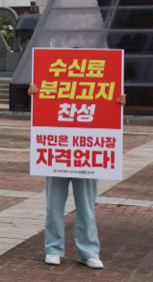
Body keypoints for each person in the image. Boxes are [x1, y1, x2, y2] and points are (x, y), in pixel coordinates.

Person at [28, 83, 128, 269]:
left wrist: (118, 101)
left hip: (86, 151)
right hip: (60, 150)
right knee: (54, 204)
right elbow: (45, 107)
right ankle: (53, 249)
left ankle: (88, 251)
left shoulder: (100, 76)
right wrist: (35, 96)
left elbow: (106, 104)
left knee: (86, 205)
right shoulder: (52, 74)